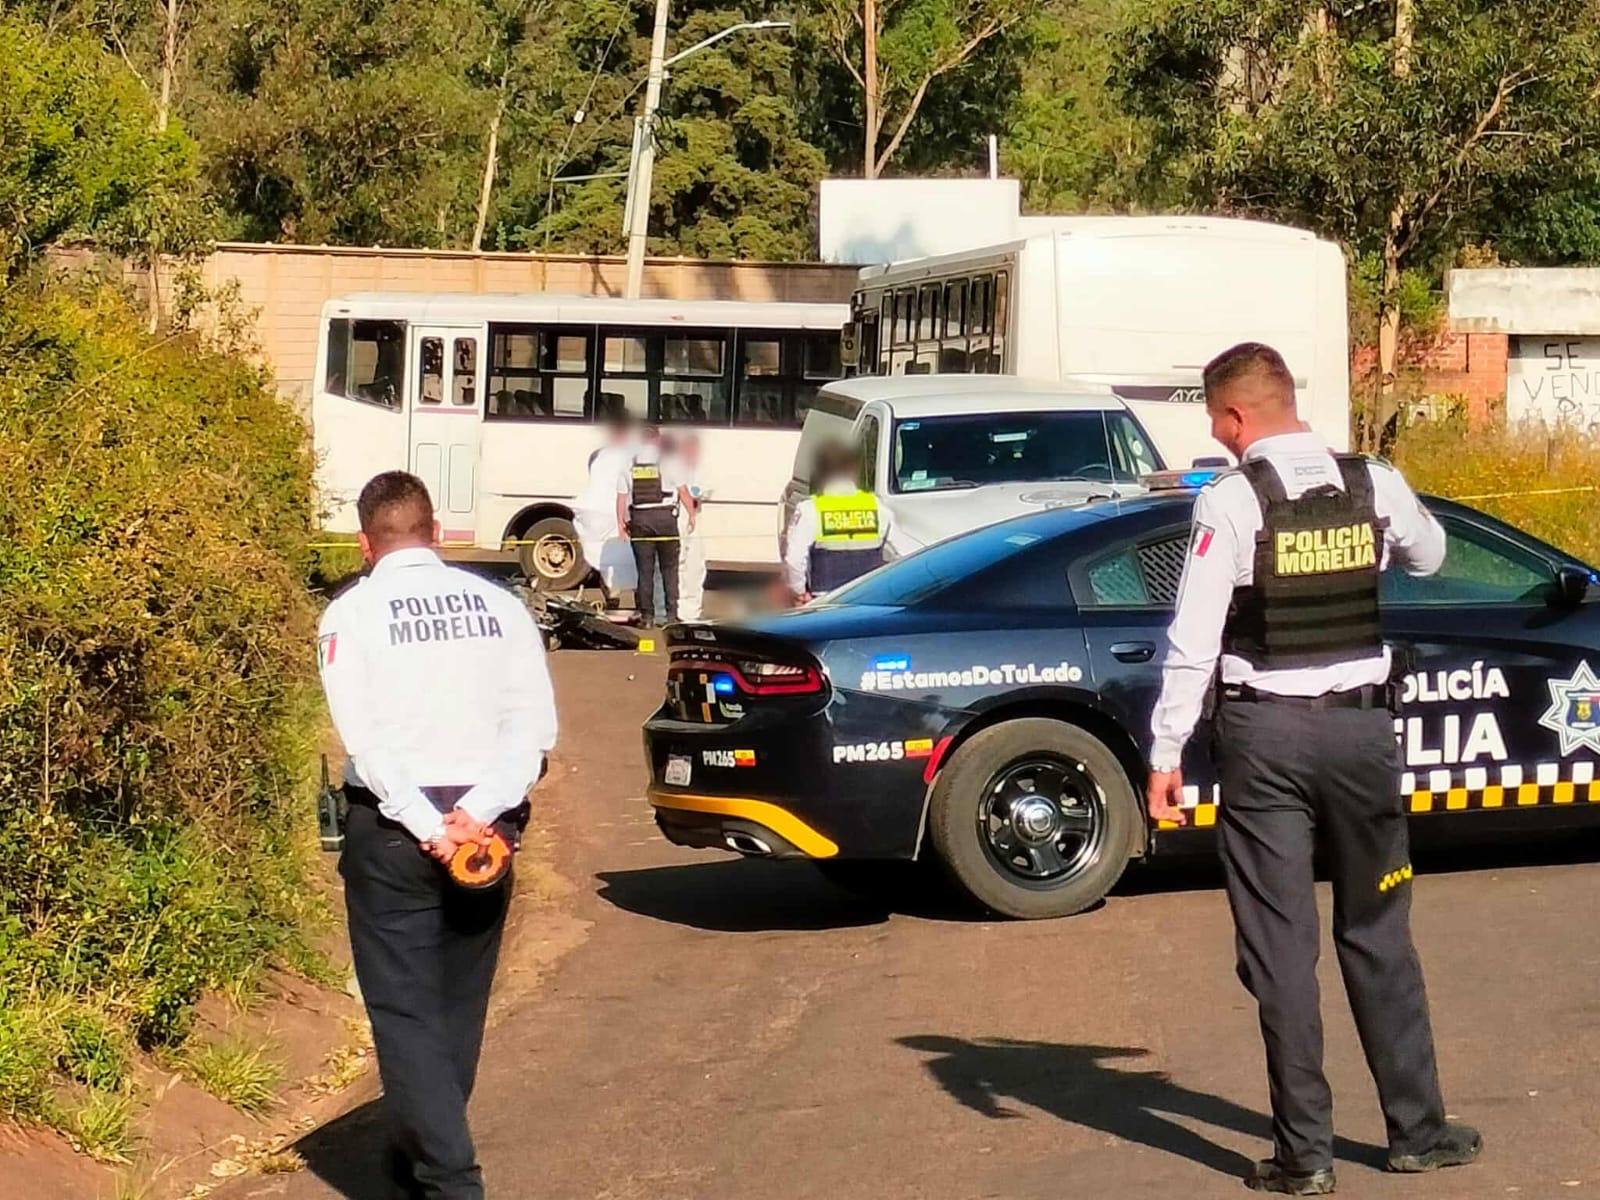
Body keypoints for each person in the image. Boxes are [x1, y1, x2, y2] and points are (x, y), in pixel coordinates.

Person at [1146, 343, 1480, 1196]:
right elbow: (1433, 558)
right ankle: (1419, 1131)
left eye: (1214, 423)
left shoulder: (1230, 499)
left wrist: (1166, 753)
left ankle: (1307, 1157)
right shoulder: (1374, 482)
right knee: (1380, 932)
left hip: (1266, 743)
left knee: (1281, 949)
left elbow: (1193, 638)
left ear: (1234, 419)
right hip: (1363, 738)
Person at [317, 471, 557, 1200]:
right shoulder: (501, 606)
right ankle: (420, 1148)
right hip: (488, 829)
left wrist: (428, 826)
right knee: (458, 1002)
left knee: (404, 1008)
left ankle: (452, 1180)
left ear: (366, 544)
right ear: (440, 533)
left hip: (397, 830)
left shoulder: (348, 617)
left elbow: (367, 743)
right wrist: (477, 813)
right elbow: (534, 731)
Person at [782, 441, 890, 604]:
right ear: (852, 470)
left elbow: (794, 559)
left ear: (820, 471)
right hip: (869, 599)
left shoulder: (811, 510)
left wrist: (800, 592)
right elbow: (901, 554)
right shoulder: (878, 508)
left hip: (825, 602)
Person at [617, 424, 692, 626]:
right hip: (665, 518)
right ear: (657, 439)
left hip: (640, 519)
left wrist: (620, 523)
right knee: (669, 569)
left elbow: (622, 497)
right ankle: (671, 615)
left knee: (645, 571)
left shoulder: (629, 462)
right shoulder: (669, 460)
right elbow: (684, 492)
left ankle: (647, 617)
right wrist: (692, 515)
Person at [573, 415, 638, 593]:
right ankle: (637, 601)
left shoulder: (600, 454)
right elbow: (626, 488)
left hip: (595, 512)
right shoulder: (631, 454)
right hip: (617, 511)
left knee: (604, 557)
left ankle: (612, 596)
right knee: (630, 559)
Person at [670, 431, 707, 620]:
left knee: (696, 565)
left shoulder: (699, 469)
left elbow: (704, 490)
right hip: (679, 516)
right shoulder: (675, 466)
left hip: (695, 516)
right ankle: (678, 608)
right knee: (679, 563)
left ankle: (692, 611)